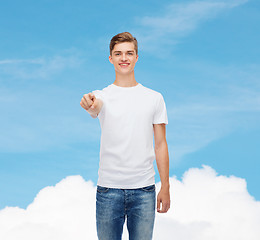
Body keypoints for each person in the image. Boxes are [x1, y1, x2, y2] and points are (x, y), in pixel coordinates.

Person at [80, 32, 170, 240]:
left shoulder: (154, 98)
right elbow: (94, 106)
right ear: (110, 58)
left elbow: (160, 144)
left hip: (144, 191)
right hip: (108, 191)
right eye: (118, 54)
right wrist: (89, 103)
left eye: (129, 53)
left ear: (137, 57)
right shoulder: (102, 95)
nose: (124, 58)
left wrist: (165, 186)